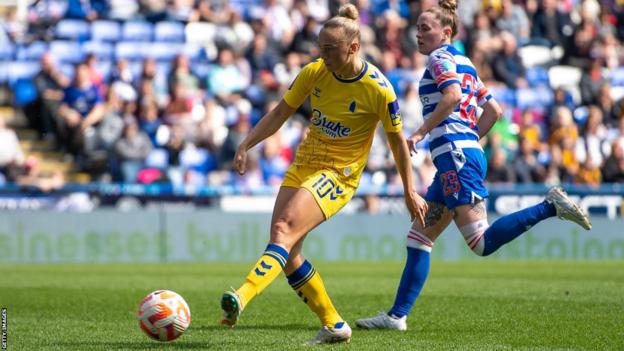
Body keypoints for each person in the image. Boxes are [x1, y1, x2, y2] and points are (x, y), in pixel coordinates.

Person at [355, 0, 592, 331]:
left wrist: (422, 133)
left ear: (445, 32)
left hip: (455, 156)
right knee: (419, 237)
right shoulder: (465, 62)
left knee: (480, 243)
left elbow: (451, 96)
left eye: (425, 28)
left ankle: (549, 207)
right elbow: (494, 110)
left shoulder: (440, 58)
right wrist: (467, 140)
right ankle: (396, 316)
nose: (418, 34)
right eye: (417, 28)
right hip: (461, 154)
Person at [219, 3, 428, 345]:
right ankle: (334, 324)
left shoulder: (379, 89)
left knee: (283, 231)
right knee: (287, 249)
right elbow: (280, 113)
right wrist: (246, 143)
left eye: (330, 49)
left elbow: (397, 145)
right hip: (304, 164)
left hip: (339, 175)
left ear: (353, 47)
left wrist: (409, 190)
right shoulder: (314, 72)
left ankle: (240, 296)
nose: (324, 56)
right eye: (321, 48)